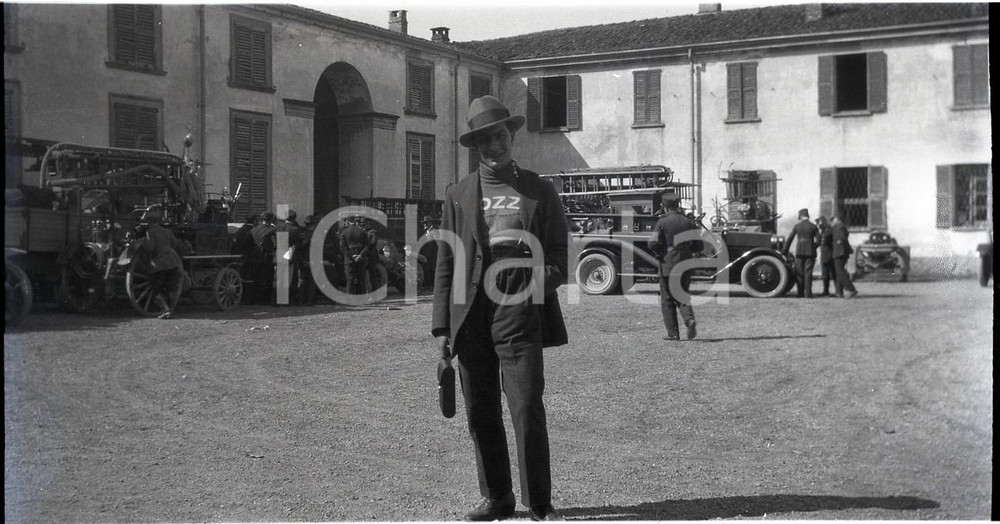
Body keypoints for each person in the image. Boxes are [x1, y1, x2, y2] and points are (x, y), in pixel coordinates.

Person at [432, 95, 568, 522]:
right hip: (470, 315)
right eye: (485, 140)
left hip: (518, 309)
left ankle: (539, 503)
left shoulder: (538, 190)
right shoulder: (457, 194)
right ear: (475, 147)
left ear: (511, 136)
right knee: (480, 410)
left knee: (526, 405)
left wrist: (534, 287)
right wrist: (442, 328)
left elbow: (562, 255)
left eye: (500, 136)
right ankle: (497, 498)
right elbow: (447, 263)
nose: (494, 145)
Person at [648, 192, 700, 341]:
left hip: (668, 264)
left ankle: (673, 333)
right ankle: (689, 319)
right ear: (678, 205)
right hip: (686, 264)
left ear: (664, 207)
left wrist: (660, 249)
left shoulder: (662, 223)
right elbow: (699, 245)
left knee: (667, 299)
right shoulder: (688, 222)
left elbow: (651, 243)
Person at [138, 208, 184, 319]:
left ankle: (166, 310)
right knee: (171, 288)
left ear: (149, 222)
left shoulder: (150, 232)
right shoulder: (167, 232)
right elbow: (175, 244)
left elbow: (151, 248)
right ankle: (171, 310)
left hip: (158, 265)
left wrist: (143, 242)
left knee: (157, 289)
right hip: (172, 263)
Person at [783, 208, 820, 298]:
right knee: (808, 272)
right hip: (810, 252)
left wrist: (785, 251)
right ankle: (808, 293)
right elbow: (818, 240)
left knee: (799, 272)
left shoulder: (797, 226)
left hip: (799, 251)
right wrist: (812, 247)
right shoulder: (813, 226)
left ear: (800, 216)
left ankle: (800, 293)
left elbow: (789, 239)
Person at [275, 210, 303, 303]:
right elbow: (299, 243)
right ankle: (289, 299)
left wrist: (274, 246)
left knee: (279, 278)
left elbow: (266, 236)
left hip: (279, 253)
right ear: (294, 218)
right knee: (290, 278)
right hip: (289, 254)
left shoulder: (278, 227)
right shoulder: (294, 229)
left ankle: (277, 299)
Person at [339, 216, 371, 294]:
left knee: (350, 280)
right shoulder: (363, 232)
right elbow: (367, 246)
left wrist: (351, 256)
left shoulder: (345, 232)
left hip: (349, 259)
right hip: (360, 258)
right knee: (361, 279)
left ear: (348, 222)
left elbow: (342, 247)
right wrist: (360, 255)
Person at [250, 212, 277, 304]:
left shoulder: (253, 229)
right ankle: (265, 299)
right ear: (270, 220)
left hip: (255, 256)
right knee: (267, 278)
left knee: (256, 277)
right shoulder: (271, 230)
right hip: (266, 257)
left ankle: (255, 299)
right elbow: (273, 244)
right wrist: (271, 250)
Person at [830, 214, 858, 298]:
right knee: (839, 271)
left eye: (833, 220)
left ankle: (851, 289)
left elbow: (841, 238)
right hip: (841, 252)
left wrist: (839, 246)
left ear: (837, 219)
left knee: (840, 271)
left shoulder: (839, 226)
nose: (832, 222)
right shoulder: (840, 226)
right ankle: (839, 292)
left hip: (840, 252)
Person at [296, 214, 319, 306]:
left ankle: (301, 300)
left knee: (302, 281)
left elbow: (298, 249)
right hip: (314, 261)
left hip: (303, 260)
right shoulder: (318, 235)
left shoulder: (301, 234)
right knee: (312, 282)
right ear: (314, 224)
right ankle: (310, 300)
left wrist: (301, 260)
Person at [816, 216, 835, 297]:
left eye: (819, 224)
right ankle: (826, 291)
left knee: (833, 274)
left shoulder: (829, 230)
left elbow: (825, 242)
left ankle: (838, 291)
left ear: (823, 222)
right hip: (825, 255)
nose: (819, 226)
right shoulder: (824, 231)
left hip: (830, 255)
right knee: (825, 274)